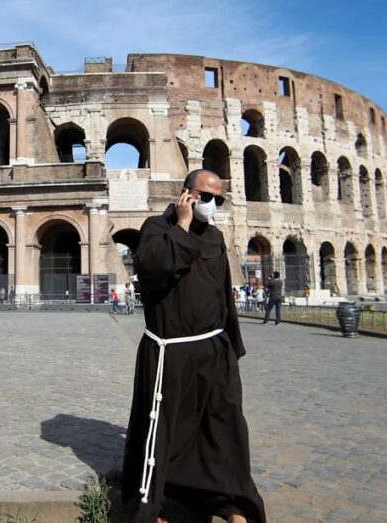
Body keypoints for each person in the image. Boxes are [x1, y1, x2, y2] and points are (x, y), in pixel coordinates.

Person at [121, 169, 265, 523]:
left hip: (215, 350)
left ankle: (234, 503)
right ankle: (165, 503)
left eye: (219, 198)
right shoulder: (157, 228)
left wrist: (232, 345)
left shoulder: (215, 237)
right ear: (187, 194)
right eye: (206, 196)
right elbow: (154, 269)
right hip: (171, 351)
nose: (213, 204)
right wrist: (182, 226)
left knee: (226, 426)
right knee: (171, 431)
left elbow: (222, 294)